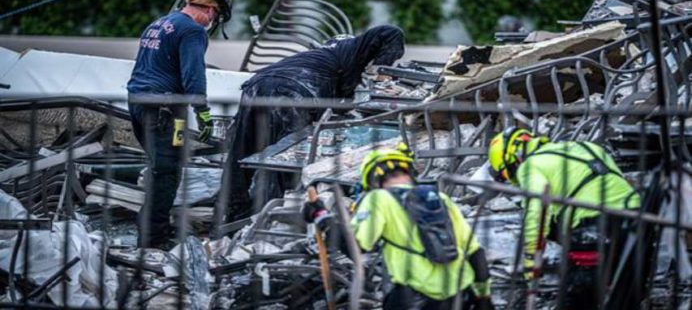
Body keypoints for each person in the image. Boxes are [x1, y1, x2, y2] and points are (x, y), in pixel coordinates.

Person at [215, 25, 406, 225]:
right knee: (281, 159)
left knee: (243, 149)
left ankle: (230, 214)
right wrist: (383, 72)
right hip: (291, 92)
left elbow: (339, 98)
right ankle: (272, 217)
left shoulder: (329, 56)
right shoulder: (353, 51)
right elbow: (391, 33)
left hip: (257, 85)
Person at [303, 145, 493, 310]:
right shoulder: (441, 199)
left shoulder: (379, 198)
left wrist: (322, 218)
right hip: (461, 293)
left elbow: (357, 246)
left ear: (372, 179)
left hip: (416, 298)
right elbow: (475, 253)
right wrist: (483, 298)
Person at [126, 0, 233, 248]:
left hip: (139, 103)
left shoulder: (159, 23)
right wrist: (203, 111)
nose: (212, 22)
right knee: (167, 174)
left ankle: (150, 231)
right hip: (164, 109)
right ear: (211, 11)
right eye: (215, 17)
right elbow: (193, 74)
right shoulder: (194, 31)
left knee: (158, 170)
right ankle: (153, 240)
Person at [487, 127, 641, 309]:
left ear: (511, 159)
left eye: (506, 174)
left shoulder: (531, 165)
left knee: (576, 302)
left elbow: (537, 212)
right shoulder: (588, 147)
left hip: (593, 226)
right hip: (638, 222)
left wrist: (531, 264)